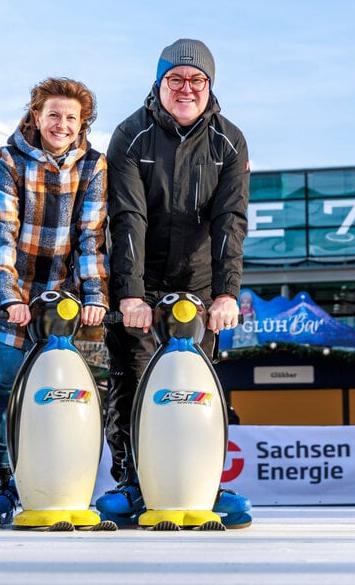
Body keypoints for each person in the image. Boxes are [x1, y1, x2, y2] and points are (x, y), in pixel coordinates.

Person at [99, 38, 252, 528]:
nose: (186, 89)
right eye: (176, 79)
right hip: (142, 277)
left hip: (201, 282)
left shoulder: (230, 140)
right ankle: (135, 482)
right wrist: (130, 294)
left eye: (197, 80)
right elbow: (128, 217)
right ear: (159, 82)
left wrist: (227, 294)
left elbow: (231, 219)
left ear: (209, 86)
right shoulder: (130, 135)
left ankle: (201, 483)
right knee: (137, 379)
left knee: (196, 387)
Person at [0, 77, 109, 527]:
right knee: (8, 388)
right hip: (11, 298)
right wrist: (10, 297)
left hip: (60, 304)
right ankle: (5, 478)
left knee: (57, 395)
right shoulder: (9, 158)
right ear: (35, 116)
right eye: (53, 115)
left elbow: (90, 238)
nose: (62, 124)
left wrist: (94, 297)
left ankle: (60, 476)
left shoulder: (94, 166)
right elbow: (3, 234)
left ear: (82, 122)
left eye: (71, 117)